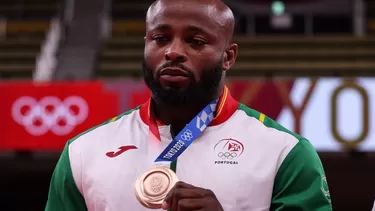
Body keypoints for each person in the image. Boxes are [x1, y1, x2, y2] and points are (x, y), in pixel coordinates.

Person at [45, 0, 333, 210]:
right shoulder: (83, 153)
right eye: (160, 38)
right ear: (145, 44)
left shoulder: (286, 153)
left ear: (228, 57)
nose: (173, 52)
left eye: (195, 41)